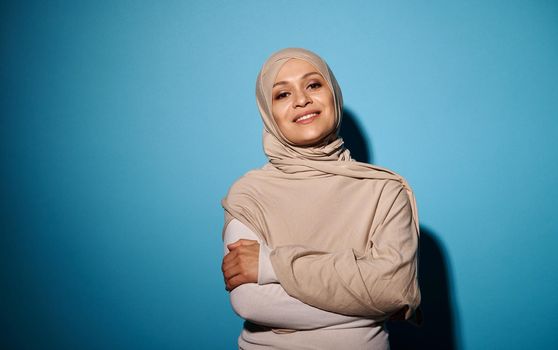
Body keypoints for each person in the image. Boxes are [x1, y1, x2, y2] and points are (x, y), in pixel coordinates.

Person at [221, 47, 421, 349]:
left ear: (333, 94)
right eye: (282, 95)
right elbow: (251, 302)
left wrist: (271, 267)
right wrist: (368, 306)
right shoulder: (250, 193)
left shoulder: (385, 190)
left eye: (313, 85)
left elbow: (394, 288)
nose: (301, 100)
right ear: (268, 111)